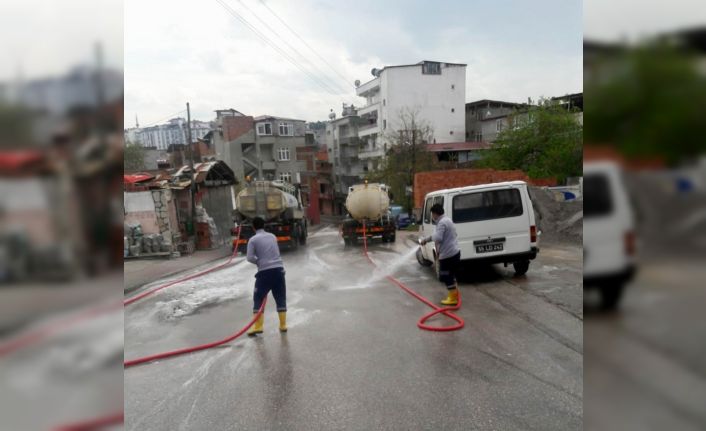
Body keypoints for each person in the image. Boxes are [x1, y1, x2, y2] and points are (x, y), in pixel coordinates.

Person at [246, 216, 287, 336]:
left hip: (264, 273)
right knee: (280, 297)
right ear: (264, 225)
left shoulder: (253, 240)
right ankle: (283, 325)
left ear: (253, 227)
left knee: (258, 298)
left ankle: (258, 327)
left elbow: (249, 257)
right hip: (279, 271)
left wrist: (259, 262)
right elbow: (276, 253)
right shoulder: (273, 236)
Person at [419, 203, 461, 305]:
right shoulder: (447, 220)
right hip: (454, 253)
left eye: (432, 214)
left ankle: (453, 297)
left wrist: (427, 239)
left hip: (448, 255)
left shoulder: (442, 223)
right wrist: (427, 239)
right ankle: (455, 294)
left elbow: (438, 238)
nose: (432, 217)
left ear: (435, 213)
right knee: (450, 274)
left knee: (445, 275)